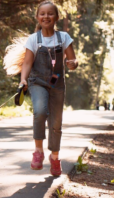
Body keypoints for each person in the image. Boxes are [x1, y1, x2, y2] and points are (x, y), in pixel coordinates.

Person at [19, 1, 78, 177]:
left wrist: (72, 64)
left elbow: (73, 61)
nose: (46, 16)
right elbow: (27, 62)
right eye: (42, 14)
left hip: (57, 84)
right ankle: (38, 151)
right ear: (38, 17)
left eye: (50, 13)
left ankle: (55, 157)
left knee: (56, 123)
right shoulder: (33, 39)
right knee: (39, 111)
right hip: (37, 82)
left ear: (56, 17)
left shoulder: (64, 38)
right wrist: (23, 80)